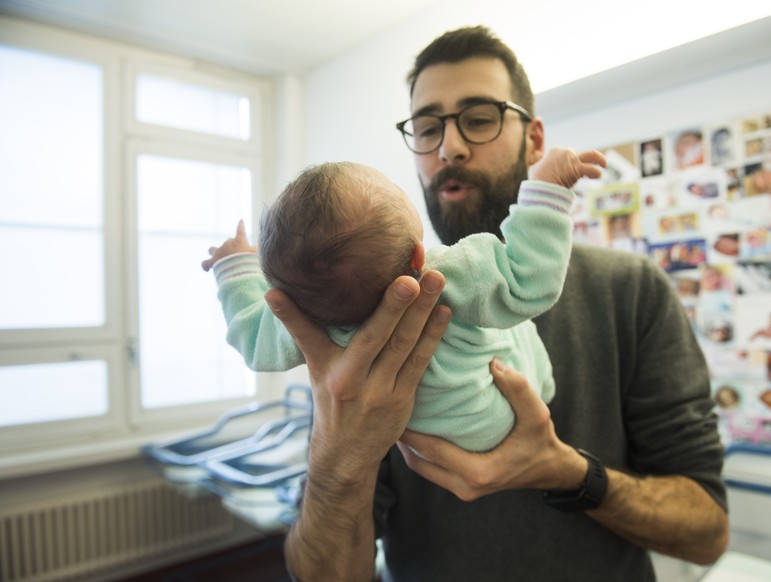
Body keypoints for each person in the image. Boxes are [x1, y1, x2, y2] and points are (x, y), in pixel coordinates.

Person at [204, 25, 728, 581]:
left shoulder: (631, 289)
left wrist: (567, 472)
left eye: (479, 118)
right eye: (427, 127)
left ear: (534, 139)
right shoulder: (343, 321)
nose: (449, 146)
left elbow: (707, 533)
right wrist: (337, 459)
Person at [206, 149, 604, 452]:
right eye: (397, 191)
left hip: (427, 440)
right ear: (418, 256)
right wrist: (546, 190)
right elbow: (529, 279)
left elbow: (251, 336)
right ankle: (544, 386)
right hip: (499, 410)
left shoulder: (303, 321)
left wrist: (236, 270)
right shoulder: (444, 272)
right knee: (516, 323)